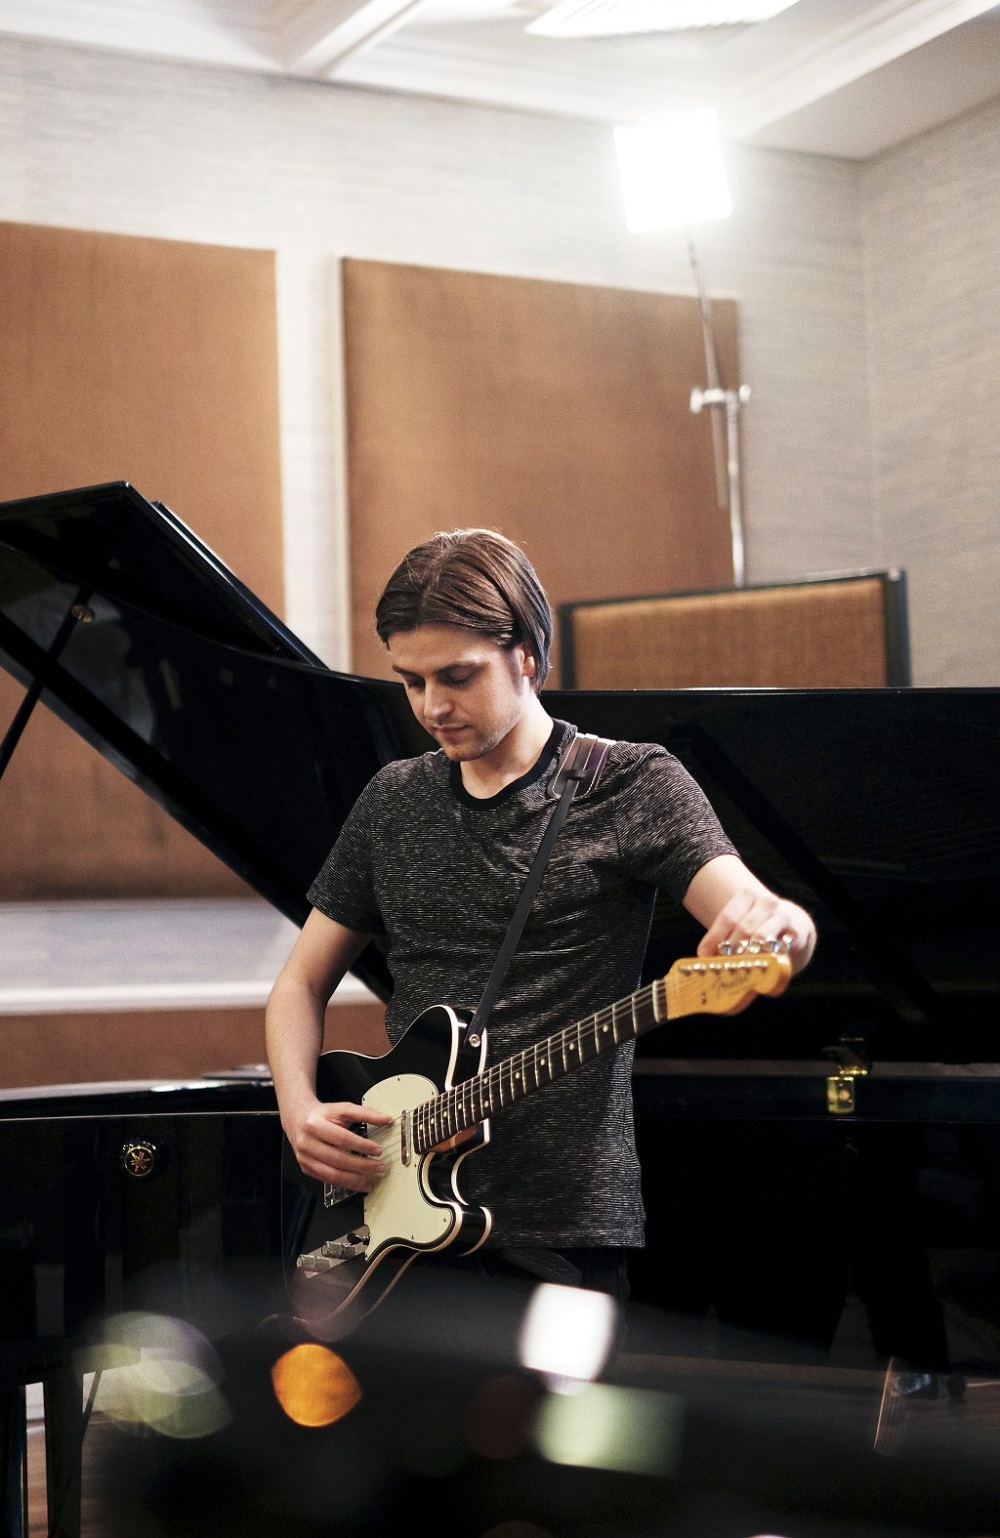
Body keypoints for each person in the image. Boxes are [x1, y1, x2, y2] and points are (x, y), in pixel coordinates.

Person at [265, 528, 816, 1312]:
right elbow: (298, 984)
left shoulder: (632, 785)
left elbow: (759, 914)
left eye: (458, 676)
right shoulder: (393, 799)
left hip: (565, 1227)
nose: (432, 706)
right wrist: (300, 1110)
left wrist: (783, 928)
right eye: (411, 682)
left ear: (526, 654)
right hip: (392, 1215)